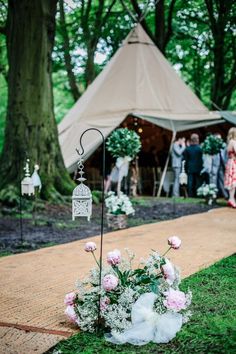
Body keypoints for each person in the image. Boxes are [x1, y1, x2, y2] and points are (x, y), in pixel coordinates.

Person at [211, 133, 228, 199]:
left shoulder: (223, 145)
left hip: (222, 164)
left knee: (222, 180)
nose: (219, 140)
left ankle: (225, 195)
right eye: (218, 138)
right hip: (214, 164)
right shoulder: (211, 146)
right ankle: (214, 195)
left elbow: (225, 155)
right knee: (213, 179)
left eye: (220, 138)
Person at [224, 127, 236, 208]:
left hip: (230, 162)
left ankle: (231, 198)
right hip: (233, 163)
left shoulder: (229, 142)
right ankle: (231, 199)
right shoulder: (233, 142)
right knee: (233, 181)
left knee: (231, 181)